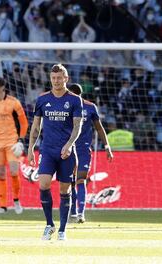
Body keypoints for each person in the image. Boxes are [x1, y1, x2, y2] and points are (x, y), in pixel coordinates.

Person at [27, 64, 83, 240]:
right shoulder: (42, 99)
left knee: (64, 191)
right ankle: (49, 225)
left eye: (60, 78)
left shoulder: (74, 100)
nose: (56, 81)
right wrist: (30, 149)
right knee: (43, 184)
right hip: (47, 150)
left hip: (66, 152)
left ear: (66, 78)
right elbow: (35, 127)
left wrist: (69, 144)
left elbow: (77, 127)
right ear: (50, 79)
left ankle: (62, 230)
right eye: (54, 78)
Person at [68, 83, 113, 223]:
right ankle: (74, 212)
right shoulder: (64, 107)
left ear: (74, 93)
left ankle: (80, 213)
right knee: (71, 182)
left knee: (80, 180)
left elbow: (99, 128)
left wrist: (107, 146)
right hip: (68, 148)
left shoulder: (90, 107)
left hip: (82, 149)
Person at [0, 77, 28, 215]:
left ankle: (16, 201)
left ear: (2, 87)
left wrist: (20, 140)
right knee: (1, 174)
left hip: (12, 142)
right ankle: (2, 206)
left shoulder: (14, 103)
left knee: (14, 171)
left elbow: (24, 123)